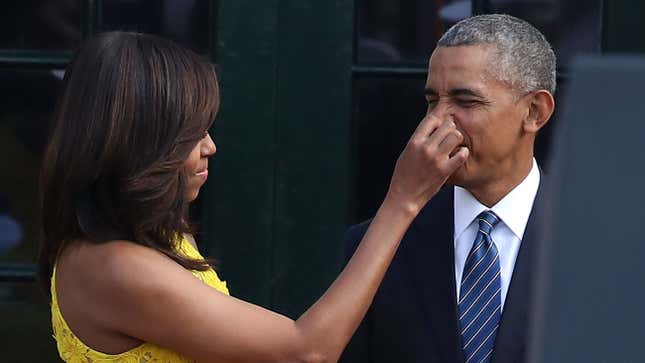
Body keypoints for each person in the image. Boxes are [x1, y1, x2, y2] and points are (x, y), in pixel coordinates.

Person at [37, 31, 468, 363]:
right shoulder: (115, 267)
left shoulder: (151, 238)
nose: (210, 147)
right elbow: (307, 352)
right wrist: (403, 200)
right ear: (138, 143)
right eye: (189, 135)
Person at [340, 14, 556, 363]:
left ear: (534, 112)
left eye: (466, 101)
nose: (436, 121)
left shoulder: (599, 247)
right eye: (431, 101)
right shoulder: (376, 245)